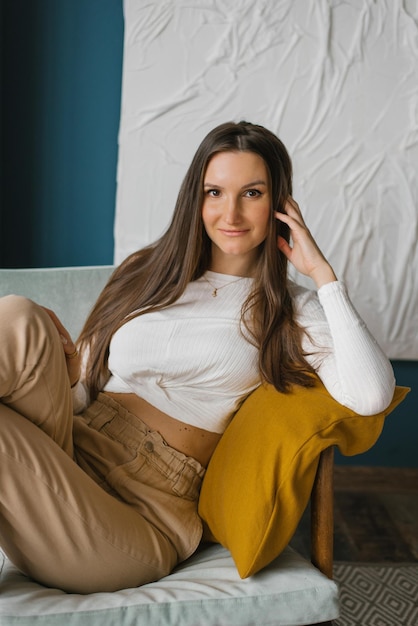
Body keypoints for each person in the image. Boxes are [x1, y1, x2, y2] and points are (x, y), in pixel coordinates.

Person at [0, 121, 395, 594]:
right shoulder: (145, 273)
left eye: (251, 192)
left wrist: (323, 275)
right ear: (197, 198)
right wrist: (62, 375)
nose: (230, 212)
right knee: (18, 315)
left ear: (281, 204)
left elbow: (371, 395)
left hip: (138, 514)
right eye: (214, 192)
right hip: (69, 449)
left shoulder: (293, 310)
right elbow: (85, 384)